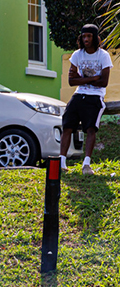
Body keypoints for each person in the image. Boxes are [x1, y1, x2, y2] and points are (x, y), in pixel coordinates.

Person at [59, 24, 112, 176]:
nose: (86, 39)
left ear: (95, 38)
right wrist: (94, 77)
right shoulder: (77, 54)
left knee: (90, 128)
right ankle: (62, 163)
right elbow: (71, 81)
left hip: (95, 97)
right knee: (67, 126)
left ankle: (86, 164)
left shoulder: (103, 55)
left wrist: (83, 79)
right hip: (78, 95)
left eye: (89, 36)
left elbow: (104, 82)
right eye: (84, 36)